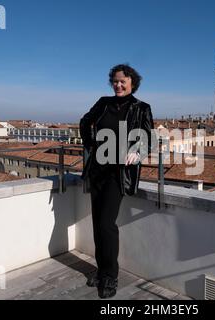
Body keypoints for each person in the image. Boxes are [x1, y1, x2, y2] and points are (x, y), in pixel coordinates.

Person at [80, 64, 155, 299]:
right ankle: (102, 272)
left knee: (106, 225)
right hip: (97, 171)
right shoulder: (103, 102)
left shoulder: (142, 108)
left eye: (123, 81)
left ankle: (111, 276)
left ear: (133, 82)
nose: (118, 85)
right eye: (115, 81)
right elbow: (84, 122)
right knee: (97, 226)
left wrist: (137, 151)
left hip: (118, 175)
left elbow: (148, 138)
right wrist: (92, 145)